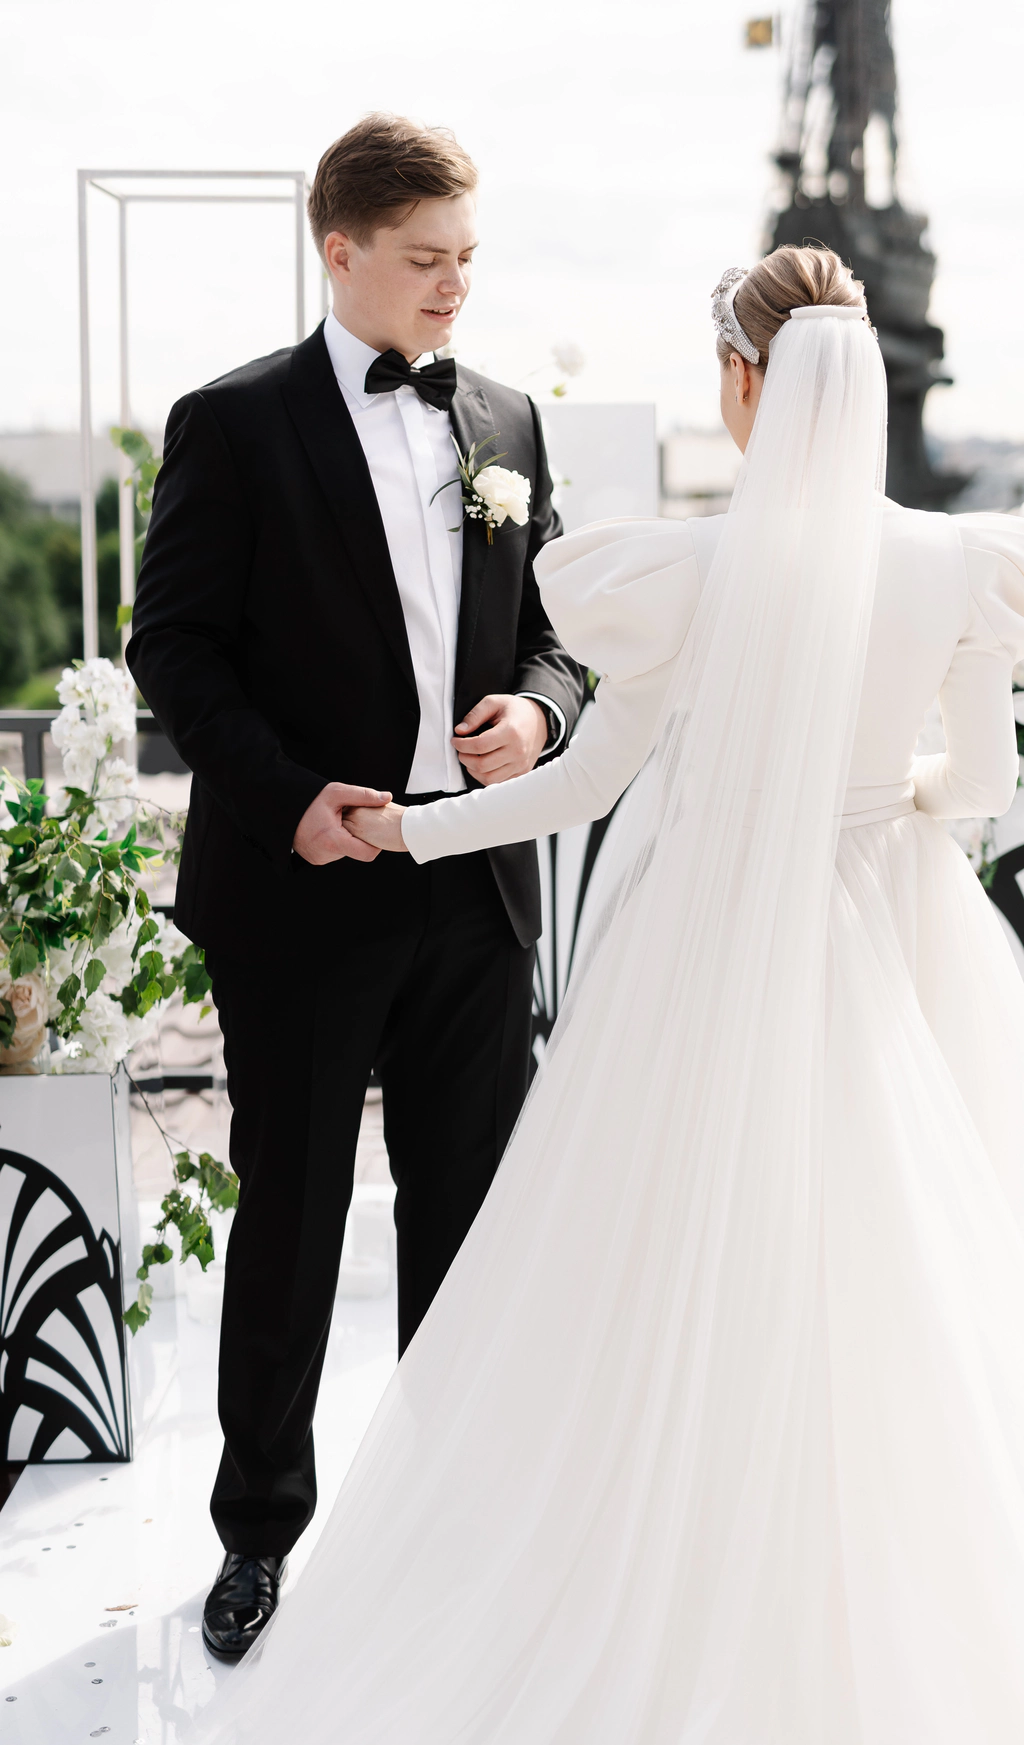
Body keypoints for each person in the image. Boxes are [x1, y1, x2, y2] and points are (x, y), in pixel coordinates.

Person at [194, 245, 1024, 1744]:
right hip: (897, 937)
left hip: (704, 950)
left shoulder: (685, 572)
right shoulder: (962, 565)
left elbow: (579, 783)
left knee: (676, 1263)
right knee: (908, 1259)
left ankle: (674, 1569)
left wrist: (412, 827)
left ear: (743, 381)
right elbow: (978, 787)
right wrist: (878, 801)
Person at [127, 113, 584, 1663]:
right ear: (342, 251)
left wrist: (539, 716)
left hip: (476, 884)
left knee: (470, 1232)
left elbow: (562, 636)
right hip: (303, 891)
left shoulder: (510, 418)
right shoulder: (233, 422)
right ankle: (257, 1538)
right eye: (426, 259)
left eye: (468, 259)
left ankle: (452, 1534)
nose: (456, 287)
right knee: (294, 1217)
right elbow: (174, 646)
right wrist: (287, 803)